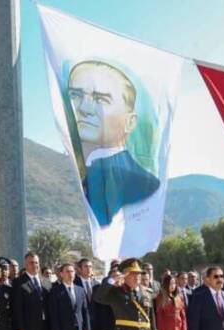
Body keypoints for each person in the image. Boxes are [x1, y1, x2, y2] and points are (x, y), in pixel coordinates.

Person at [67, 60, 160, 227]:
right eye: (75, 95)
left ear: (130, 122)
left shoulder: (143, 185)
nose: (83, 108)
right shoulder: (81, 176)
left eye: (101, 99)